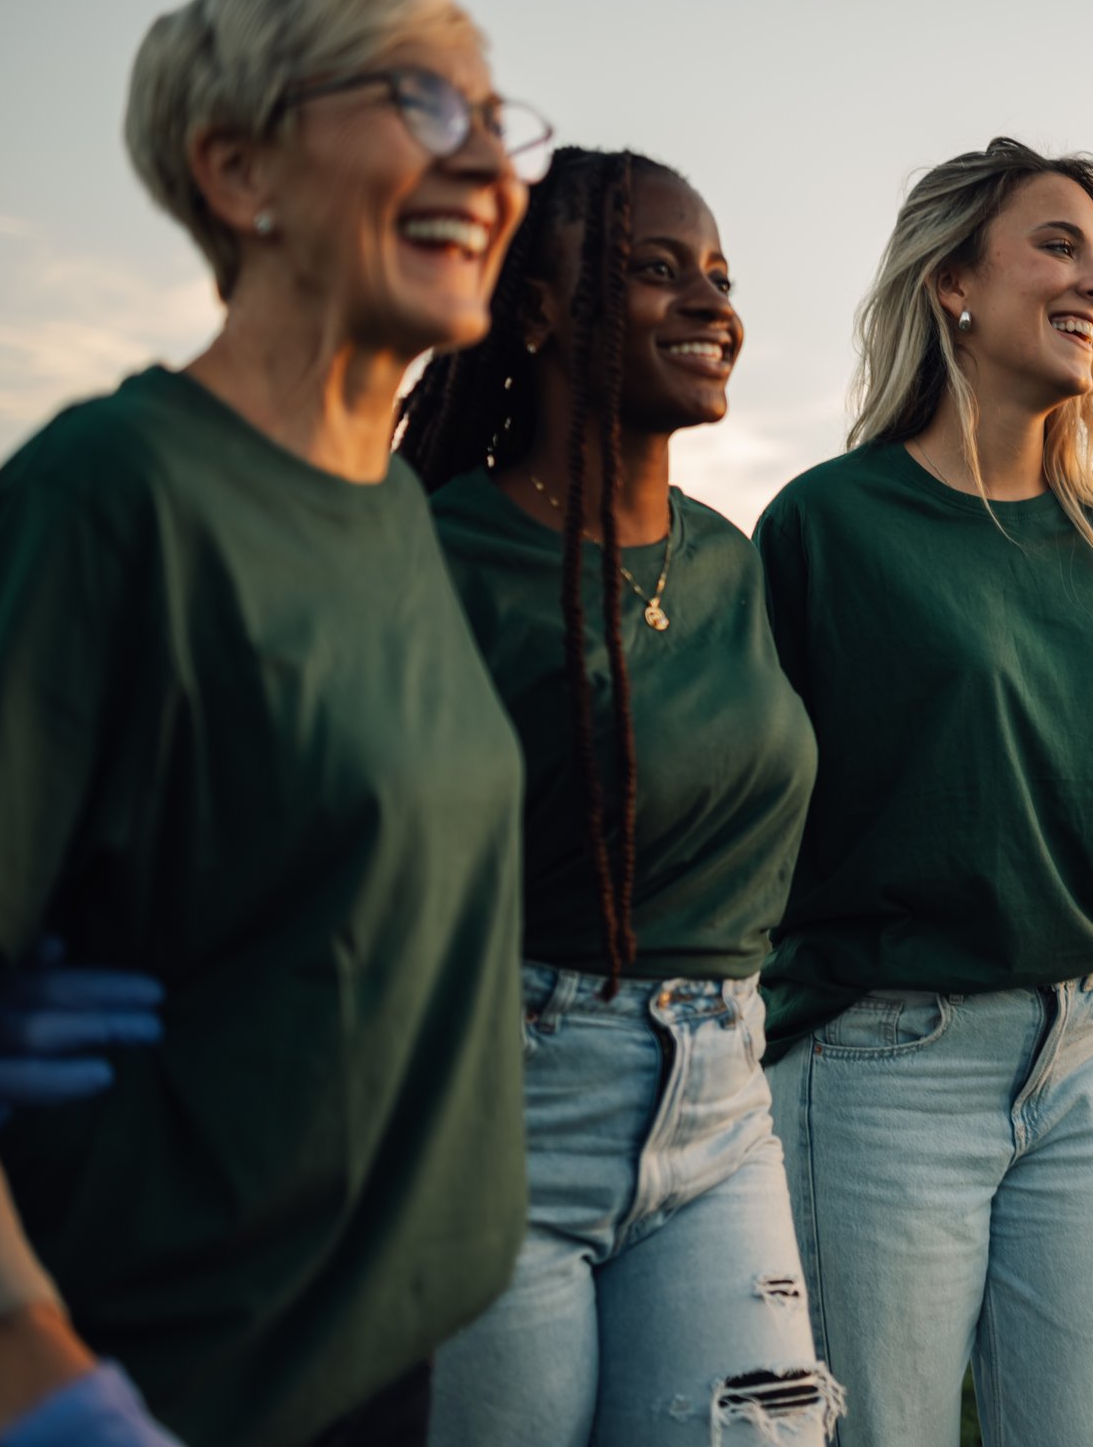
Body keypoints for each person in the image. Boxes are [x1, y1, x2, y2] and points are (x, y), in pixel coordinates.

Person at [0, 0, 546, 1447]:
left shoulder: (398, 519)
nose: (487, 164)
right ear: (238, 169)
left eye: (496, 119)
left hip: (372, 1367)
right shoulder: (113, 494)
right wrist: (26, 1369)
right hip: (159, 1382)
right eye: (423, 102)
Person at [754, 138, 1093, 1447]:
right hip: (882, 1067)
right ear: (952, 281)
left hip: (1087, 1064)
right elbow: (742, 806)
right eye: (1059, 244)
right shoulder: (829, 527)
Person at [394, 147, 841, 1446]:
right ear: (536, 312)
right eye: (657, 273)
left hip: (722, 1107)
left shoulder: (731, 565)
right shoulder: (441, 557)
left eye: (719, 277)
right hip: (502, 1108)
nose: (712, 306)